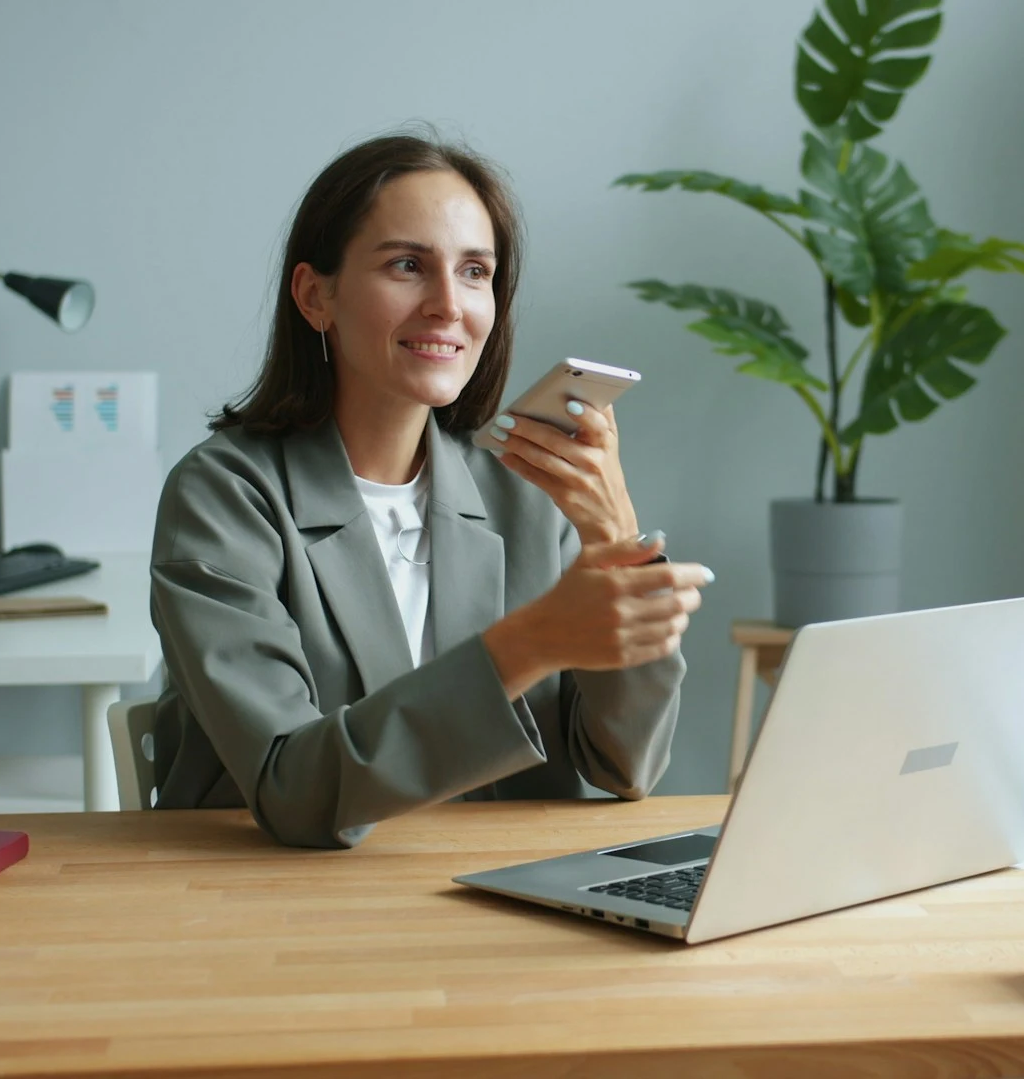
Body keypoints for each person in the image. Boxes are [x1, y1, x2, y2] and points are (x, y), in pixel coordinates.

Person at [148, 135, 713, 848]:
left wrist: (615, 543)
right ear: (315, 295)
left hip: (492, 898)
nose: (449, 305)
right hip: (276, 911)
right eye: (408, 266)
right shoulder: (223, 497)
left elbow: (624, 766)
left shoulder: (527, 498)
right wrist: (530, 643)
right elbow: (290, 790)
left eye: (475, 271)